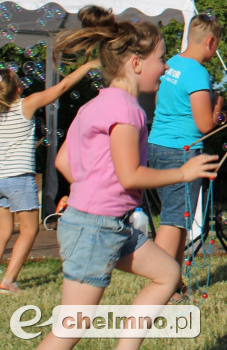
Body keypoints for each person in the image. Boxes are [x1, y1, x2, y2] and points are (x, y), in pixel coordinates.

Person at [37, 19, 217, 350]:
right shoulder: (126, 109)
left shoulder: (95, 103)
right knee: (71, 328)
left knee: (167, 273)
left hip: (108, 224)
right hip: (95, 228)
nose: (165, 68)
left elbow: (63, 161)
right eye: (161, 59)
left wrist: (92, 191)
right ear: (136, 63)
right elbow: (131, 175)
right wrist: (183, 173)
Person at [0, 55, 99, 293]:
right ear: (18, 88)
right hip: (19, 178)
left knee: (3, 230)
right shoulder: (26, 104)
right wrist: (87, 65)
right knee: (30, 230)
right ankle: (8, 281)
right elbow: (62, 86)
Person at [147, 13, 224, 299]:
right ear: (210, 41)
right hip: (183, 151)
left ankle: (173, 282)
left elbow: (159, 102)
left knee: (177, 217)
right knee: (173, 220)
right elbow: (205, 125)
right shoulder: (196, 72)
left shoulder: (170, 65)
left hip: (157, 145)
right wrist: (218, 107)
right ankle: (164, 286)